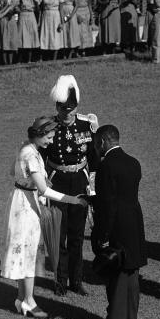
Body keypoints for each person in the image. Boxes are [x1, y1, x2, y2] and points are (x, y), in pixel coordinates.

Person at [0, 116, 88, 319]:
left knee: (24, 251)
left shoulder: (26, 148)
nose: (51, 141)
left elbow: (11, 172)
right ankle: (29, 301)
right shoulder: (30, 154)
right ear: (39, 135)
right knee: (28, 253)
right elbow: (43, 189)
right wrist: (72, 200)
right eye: (48, 137)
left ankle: (21, 298)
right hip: (26, 206)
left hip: (21, 200)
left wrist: (29, 179)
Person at [43, 75, 98, 296]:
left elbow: (94, 158)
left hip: (79, 183)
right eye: (64, 109)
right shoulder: (48, 126)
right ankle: (60, 281)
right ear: (57, 106)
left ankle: (76, 280)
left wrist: (92, 186)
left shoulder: (87, 124)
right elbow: (39, 157)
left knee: (76, 235)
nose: (68, 113)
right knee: (59, 235)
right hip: (57, 183)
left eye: (71, 109)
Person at [90, 124, 147, 319]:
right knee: (132, 274)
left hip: (117, 226)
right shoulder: (134, 163)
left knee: (116, 277)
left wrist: (102, 235)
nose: (96, 148)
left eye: (97, 144)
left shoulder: (106, 167)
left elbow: (108, 204)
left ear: (103, 141)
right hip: (134, 223)